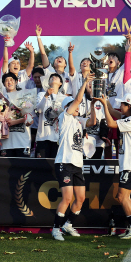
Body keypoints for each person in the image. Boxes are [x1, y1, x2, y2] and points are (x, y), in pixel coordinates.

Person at [95, 93, 131, 240]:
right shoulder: (130, 118)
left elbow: (111, 123)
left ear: (129, 106)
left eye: (122, 104)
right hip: (130, 164)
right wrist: (105, 101)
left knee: (122, 197)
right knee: (124, 197)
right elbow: (115, 113)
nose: (120, 106)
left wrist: (105, 108)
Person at [51, 76, 92, 241]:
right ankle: (55, 229)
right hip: (64, 162)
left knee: (80, 198)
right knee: (67, 198)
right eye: (73, 105)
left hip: (77, 164)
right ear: (67, 107)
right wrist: (84, 84)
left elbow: (93, 121)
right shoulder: (65, 118)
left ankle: (68, 224)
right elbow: (77, 99)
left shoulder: (77, 121)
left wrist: (96, 104)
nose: (77, 107)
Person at [0, 72, 32, 157]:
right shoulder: (0, 100)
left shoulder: (25, 97)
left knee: (23, 168)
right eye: (6, 80)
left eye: (11, 80)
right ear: (3, 84)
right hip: (7, 142)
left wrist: (17, 121)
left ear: (16, 82)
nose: (9, 82)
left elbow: (30, 117)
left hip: (22, 142)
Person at [35, 73, 65, 158]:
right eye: (51, 77)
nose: (54, 77)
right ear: (48, 83)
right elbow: (39, 110)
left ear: (60, 83)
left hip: (58, 138)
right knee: (41, 167)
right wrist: (46, 96)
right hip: (43, 137)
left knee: (55, 167)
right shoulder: (41, 94)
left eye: (57, 77)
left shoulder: (64, 98)